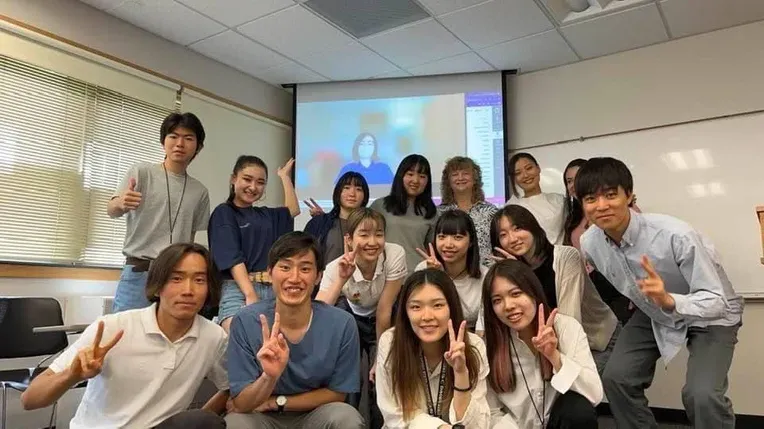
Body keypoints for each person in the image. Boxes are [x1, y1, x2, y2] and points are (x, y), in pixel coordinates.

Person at [577, 157, 744, 429]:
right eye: (590, 199)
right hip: (653, 311)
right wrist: (652, 301)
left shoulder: (675, 235)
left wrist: (669, 299)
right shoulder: (590, 243)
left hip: (712, 313)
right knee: (616, 378)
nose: (602, 206)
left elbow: (716, 300)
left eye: (610, 195)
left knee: (701, 395)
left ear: (629, 195)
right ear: (582, 205)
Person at [20, 243, 229, 429]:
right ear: (157, 286)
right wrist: (72, 376)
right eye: (176, 278)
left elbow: (230, 388)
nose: (188, 290)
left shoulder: (213, 337)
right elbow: (29, 400)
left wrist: (201, 414)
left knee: (205, 421)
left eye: (199, 280)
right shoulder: (112, 327)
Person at [224, 231, 365, 429]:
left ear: (318, 277)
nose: (294, 277)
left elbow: (338, 393)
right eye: (285, 267)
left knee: (346, 416)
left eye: (305, 268)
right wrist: (268, 377)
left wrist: (277, 402)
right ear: (270, 272)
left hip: (316, 416)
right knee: (236, 423)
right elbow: (240, 403)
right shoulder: (246, 322)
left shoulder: (341, 324)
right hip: (260, 418)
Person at [476, 204, 619, 374]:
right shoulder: (509, 271)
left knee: (577, 394)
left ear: (532, 227)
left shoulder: (566, 257)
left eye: (517, 228)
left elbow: (569, 320)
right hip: (551, 346)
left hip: (596, 340)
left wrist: (522, 275)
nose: (512, 238)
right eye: (503, 235)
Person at [107, 112, 211, 312]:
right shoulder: (142, 172)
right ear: (163, 141)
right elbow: (111, 210)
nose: (180, 143)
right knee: (125, 334)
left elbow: (189, 239)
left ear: (198, 147)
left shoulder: (200, 191)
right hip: (140, 272)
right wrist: (121, 202)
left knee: (172, 337)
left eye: (188, 138)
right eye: (173, 136)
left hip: (177, 276)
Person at [483, 259, 603, 429]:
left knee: (577, 409)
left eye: (516, 293)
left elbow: (594, 394)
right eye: (497, 300)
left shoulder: (565, 328)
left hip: (559, 424)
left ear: (533, 292)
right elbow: (492, 412)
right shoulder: (491, 344)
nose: (508, 305)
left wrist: (554, 357)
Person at [316, 208, 407, 429]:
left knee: (384, 375)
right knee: (350, 379)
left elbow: (385, 310)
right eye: (364, 234)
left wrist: (379, 357)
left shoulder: (394, 254)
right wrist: (341, 278)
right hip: (351, 318)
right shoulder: (334, 267)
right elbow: (318, 311)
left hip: (384, 317)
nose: (373, 242)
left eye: (379, 234)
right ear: (349, 239)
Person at [375, 269, 490, 428]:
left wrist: (461, 373)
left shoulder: (473, 345)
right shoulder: (390, 343)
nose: (427, 316)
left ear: (452, 307)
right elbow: (394, 414)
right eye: (416, 307)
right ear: (405, 312)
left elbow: (478, 425)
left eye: (437, 305)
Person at [208, 155, 300, 332]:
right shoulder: (224, 213)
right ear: (233, 179)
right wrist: (250, 294)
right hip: (238, 289)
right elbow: (233, 258)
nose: (253, 187)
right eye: (247, 179)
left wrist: (284, 177)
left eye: (260, 182)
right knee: (241, 340)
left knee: (273, 346)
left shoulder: (264, 215)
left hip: (272, 290)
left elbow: (293, 210)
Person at [563, 158, 633, 324]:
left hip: (620, 288)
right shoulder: (571, 216)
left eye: (578, 177)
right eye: (569, 181)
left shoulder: (620, 211)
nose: (574, 184)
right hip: (592, 288)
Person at [414, 209, 487, 331]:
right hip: (432, 333)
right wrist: (436, 277)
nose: (448, 244)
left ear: (471, 242)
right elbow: (420, 313)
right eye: (442, 237)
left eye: (457, 237)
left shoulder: (485, 275)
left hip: (473, 338)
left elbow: (483, 326)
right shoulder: (424, 269)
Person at [371, 154, 439, 273]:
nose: (416, 180)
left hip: (418, 275)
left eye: (422, 176)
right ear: (400, 176)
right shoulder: (380, 205)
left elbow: (434, 249)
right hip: (384, 275)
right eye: (410, 174)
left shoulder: (431, 212)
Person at [438, 156, 498, 266]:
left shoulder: (491, 212)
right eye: (455, 174)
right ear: (448, 181)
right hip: (450, 273)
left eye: (465, 173)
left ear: (475, 178)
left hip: (486, 273)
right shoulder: (439, 213)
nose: (460, 178)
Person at [304, 171, 370, 264]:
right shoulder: (320, 223)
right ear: (338, 192)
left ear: (365, 196)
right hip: (325, 278)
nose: (352, 194)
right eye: (346, 188)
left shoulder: (369, 226)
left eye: (358, 189)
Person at [506, 153, 565, 245]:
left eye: (529, 168)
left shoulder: (559, 200)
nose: (525, 175)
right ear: (514, 179)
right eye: (518, 173)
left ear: (538, 168)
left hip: (561, 257)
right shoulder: (512, 207)